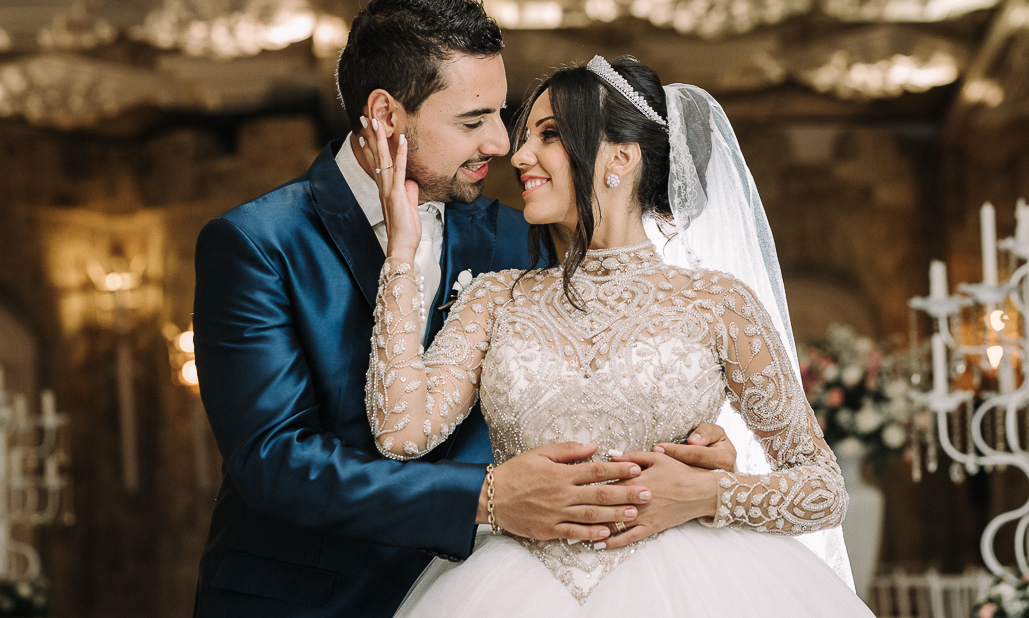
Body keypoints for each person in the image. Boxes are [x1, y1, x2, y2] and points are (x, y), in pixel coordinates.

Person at [191, 0, 736, 617]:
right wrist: (485, 497)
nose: (502, 146)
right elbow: (275, 460)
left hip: (483, 595)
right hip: (307, 602)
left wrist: (684, 448)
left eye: (501, 118)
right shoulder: (256, 243)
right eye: (473, 121)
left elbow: (584, 379)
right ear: (387, 116)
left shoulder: (519, 237)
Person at [360, 55, 873, 616]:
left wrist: (704, 495)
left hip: (690, 589)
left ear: (621, 158)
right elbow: (400, 432)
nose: (519, 155)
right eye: (525, 136)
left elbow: (823, 488)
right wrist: (402, 255)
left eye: (548, 135)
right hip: (512, 586)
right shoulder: (494, 298)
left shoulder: (715, 303)